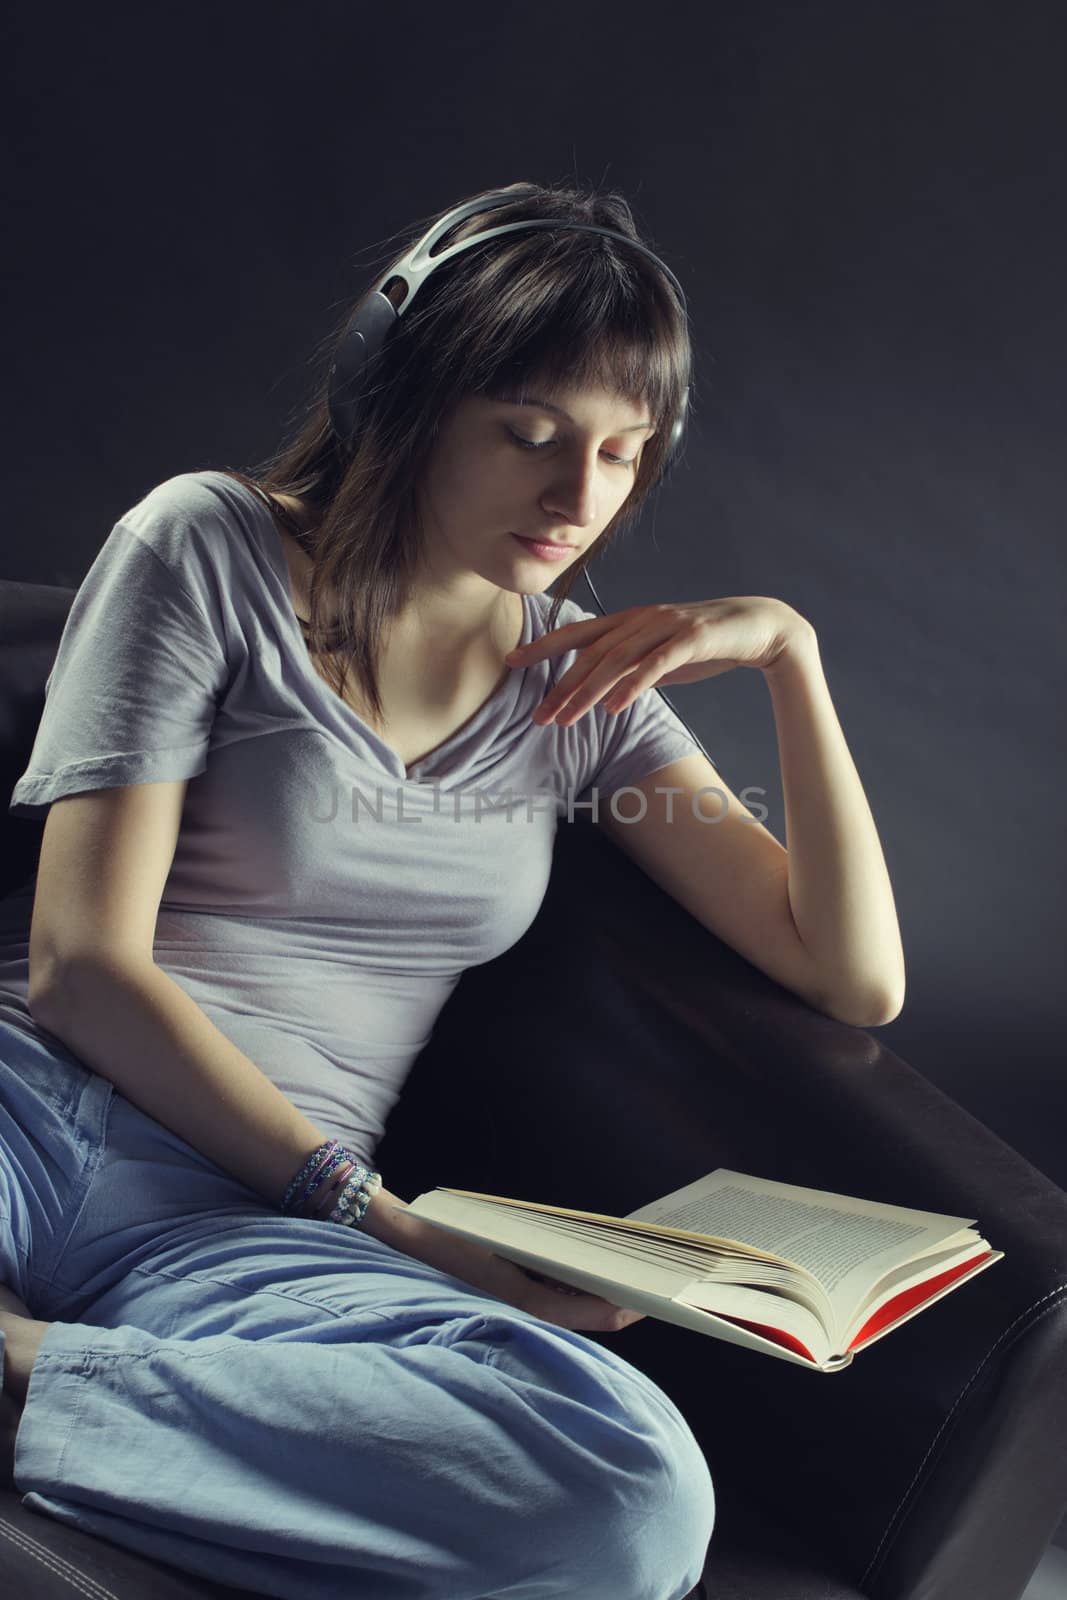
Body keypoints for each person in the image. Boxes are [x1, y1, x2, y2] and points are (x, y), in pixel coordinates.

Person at [0, 178, 903, 1599]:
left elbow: (850, 972)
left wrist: (790, 653)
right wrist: (386, 1217)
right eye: (531, 436)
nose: (577, 497)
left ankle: (37, 1379)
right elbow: (82, 968)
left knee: (629, 1498)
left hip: (246, 1237)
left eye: (623, 453)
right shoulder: (207, 548)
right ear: (401, 391)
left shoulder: (590, 690)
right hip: (40, 1106)